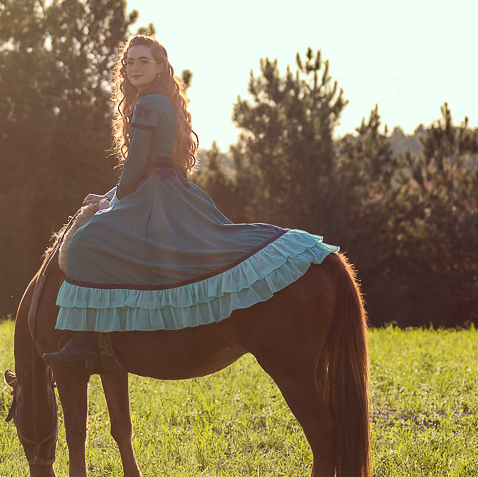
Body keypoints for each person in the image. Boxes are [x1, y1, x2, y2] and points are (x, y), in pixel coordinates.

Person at [43, 35, 338, 367]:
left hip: (153, 194)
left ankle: (83, 343)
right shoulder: (162, 101)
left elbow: (136, 166)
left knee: (85, 243)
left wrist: (111, 199)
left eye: (143, 61)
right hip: (171, 189)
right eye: (129, 62)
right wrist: (111, 195)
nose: (134, 68)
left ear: (159, 68)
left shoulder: (145, 103)